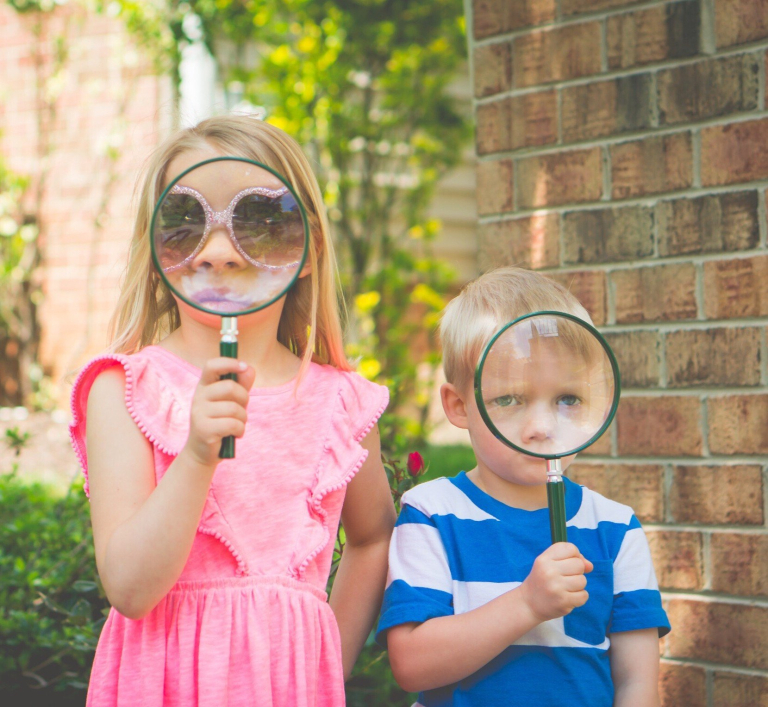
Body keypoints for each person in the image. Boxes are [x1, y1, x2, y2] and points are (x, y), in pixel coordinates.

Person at [69, 115, 396, 706]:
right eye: (185, 221)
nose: (217, 251)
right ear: (152, 248)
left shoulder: (340, 403)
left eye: (258, 221)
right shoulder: (124, 389)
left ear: (308, 248)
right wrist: (196, 453)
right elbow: (130, 589)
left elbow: (373, 538)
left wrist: (327, 662)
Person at [377, 267, 670, 707]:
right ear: (459, 406)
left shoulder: (615, 528)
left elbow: (638, 684)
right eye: (510, 399)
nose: (541, 427)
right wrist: (527, 605)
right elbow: (411, 665)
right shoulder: (431, 514)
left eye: (567, 399)